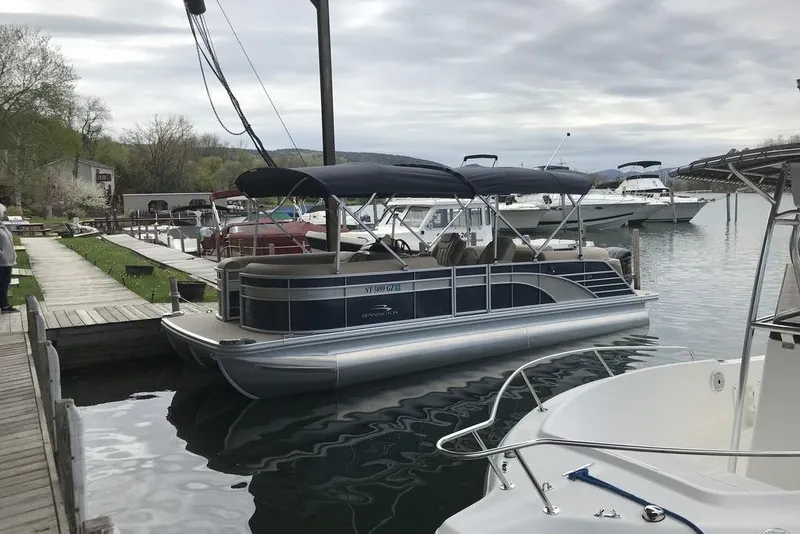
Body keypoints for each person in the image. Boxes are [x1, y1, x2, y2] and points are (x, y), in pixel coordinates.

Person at [0, 203, 18, 313]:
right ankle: (5, 306)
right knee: (2, 284)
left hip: (8, 260)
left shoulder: (2, 226)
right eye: (3, 212)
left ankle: (4, 304)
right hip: (2, 261)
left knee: (5, 283)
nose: (4, 214)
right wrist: (1, 254)